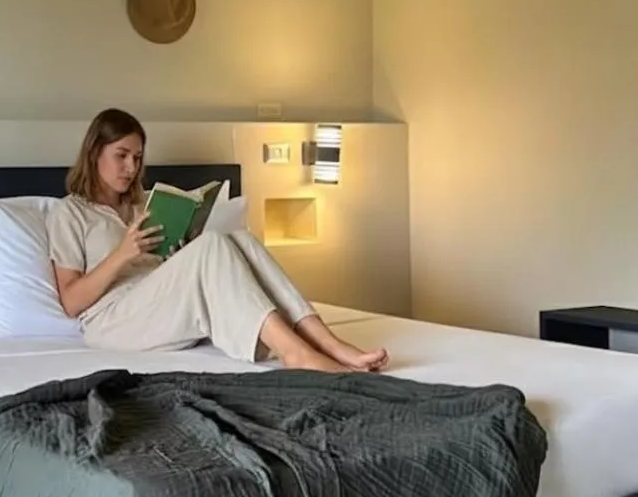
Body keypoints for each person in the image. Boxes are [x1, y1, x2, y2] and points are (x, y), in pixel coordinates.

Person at [47, 108, 390, 374]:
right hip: (111, 322)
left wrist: (176, 257)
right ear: (95, 153)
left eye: (137, 158)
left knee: (240, 239)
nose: (131, 167)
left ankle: (330, 344)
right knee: (211, 246)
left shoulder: (144, 206)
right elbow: (71, 302)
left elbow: (160, 274)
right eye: (121, 155)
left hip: (160, 306)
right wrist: (122, 253)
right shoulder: (70, 213)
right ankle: (295, 353)